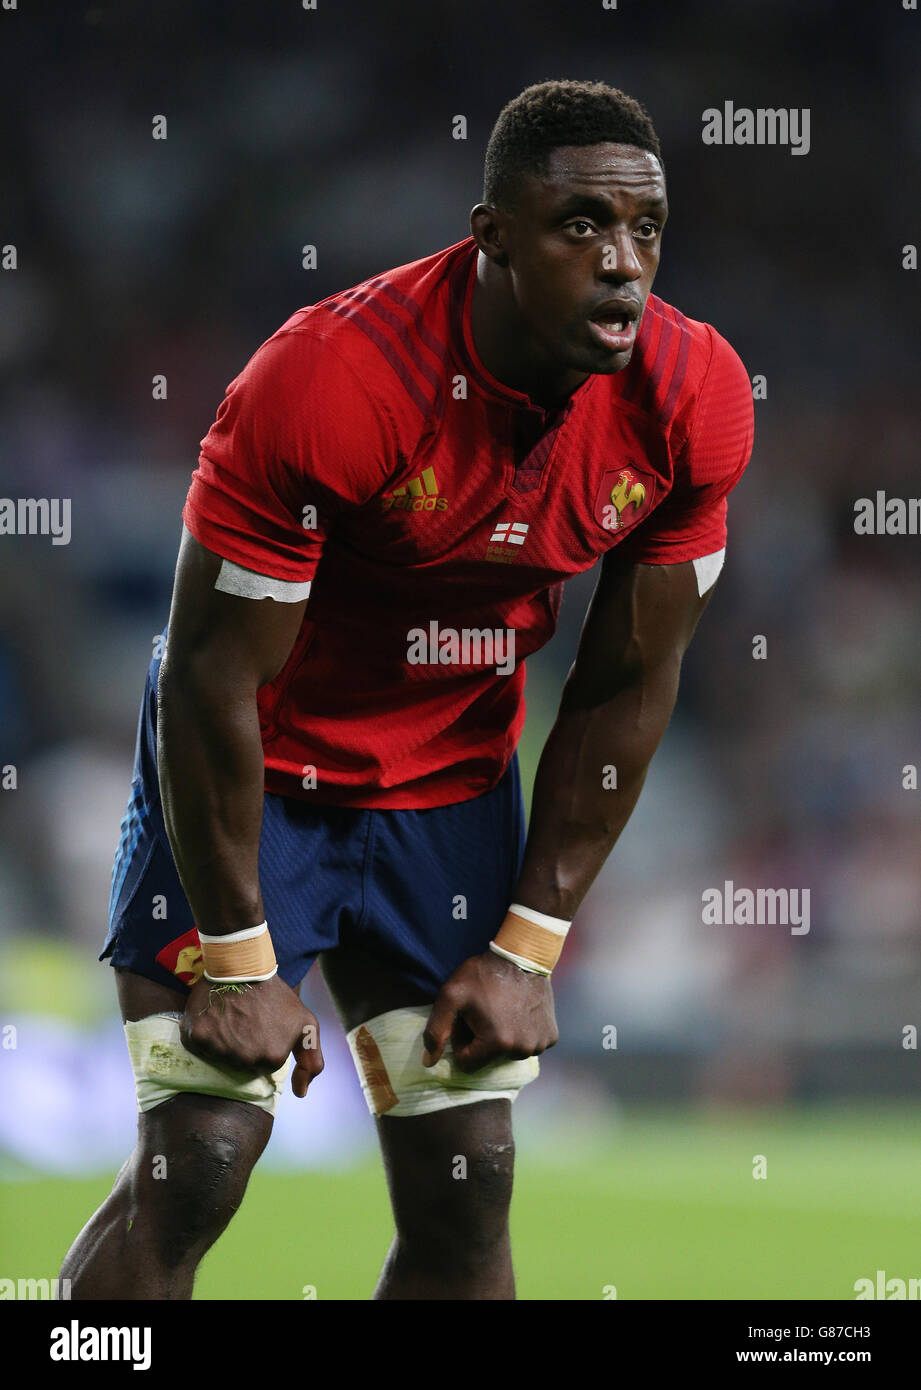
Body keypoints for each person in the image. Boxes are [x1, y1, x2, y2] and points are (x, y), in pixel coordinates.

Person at [62, 78, 754, 1300]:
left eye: (645, 229)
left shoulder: (690, 401)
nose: (623, 262)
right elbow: (212, 675)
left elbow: (630, 680)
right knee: (205, 1154)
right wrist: (235, 953)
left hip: (446, 787)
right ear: (490, 235)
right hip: (252, 774)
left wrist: (530, 947)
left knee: (466, 1182)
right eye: (580, 224)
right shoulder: (330, 380)